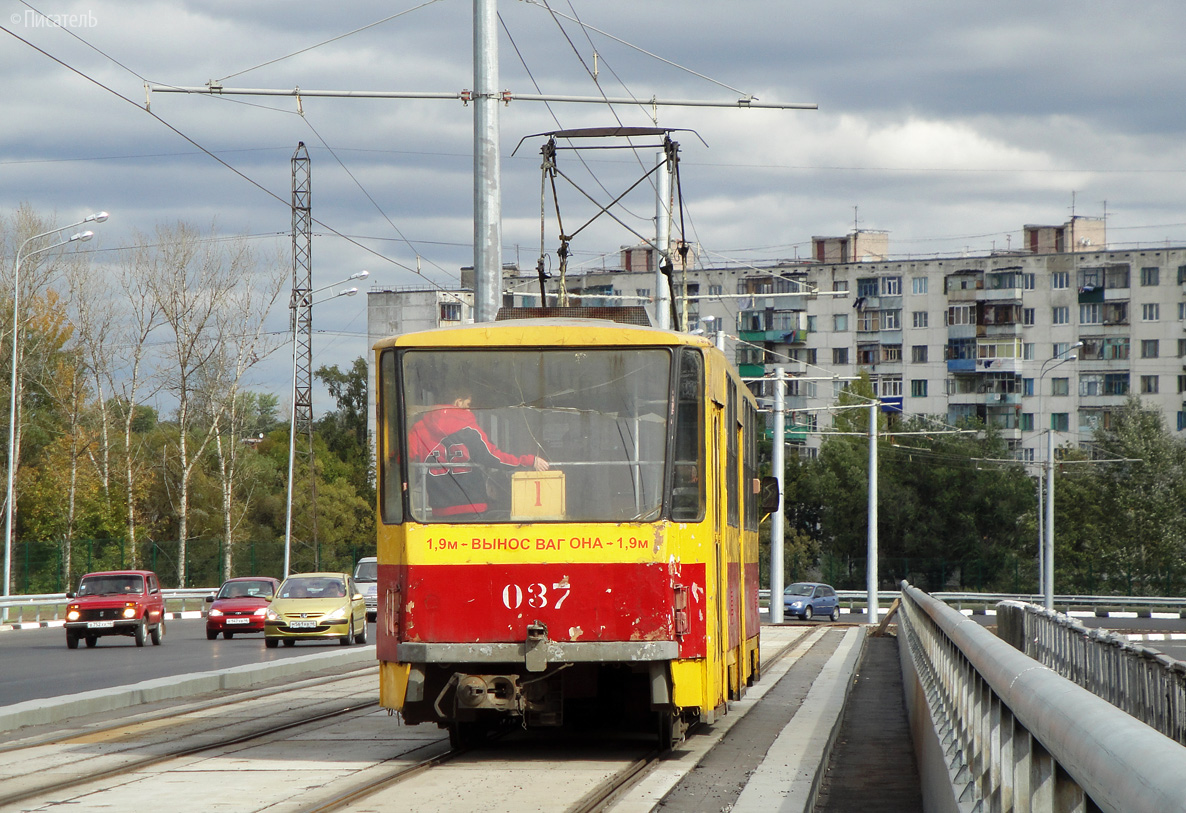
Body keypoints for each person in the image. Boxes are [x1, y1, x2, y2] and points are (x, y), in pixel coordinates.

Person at [407, 386, 549, 518]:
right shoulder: (470, 429)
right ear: (458, 402)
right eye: (468, 405)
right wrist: (529, 461)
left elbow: (404, 459)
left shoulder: (418, 429)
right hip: (473, 507)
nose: (470, 410)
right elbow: (494, 457)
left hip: (440, 511)